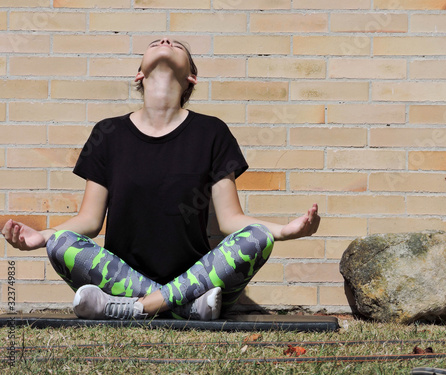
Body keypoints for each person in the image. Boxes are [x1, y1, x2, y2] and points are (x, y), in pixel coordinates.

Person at [1, 37, 320, 321]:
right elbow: (89, 220)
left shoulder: (212, 132)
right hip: (128, 282)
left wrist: (284, 231)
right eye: (155, 43)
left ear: (191, 77)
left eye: (178, 45)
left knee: (258, 237)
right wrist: (42, 237)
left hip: (199, 282)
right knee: (60, 243)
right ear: (139, 74)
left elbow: (230, 220)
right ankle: (180, 307)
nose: (166, 41)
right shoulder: (108, 134)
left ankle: (138, 307)